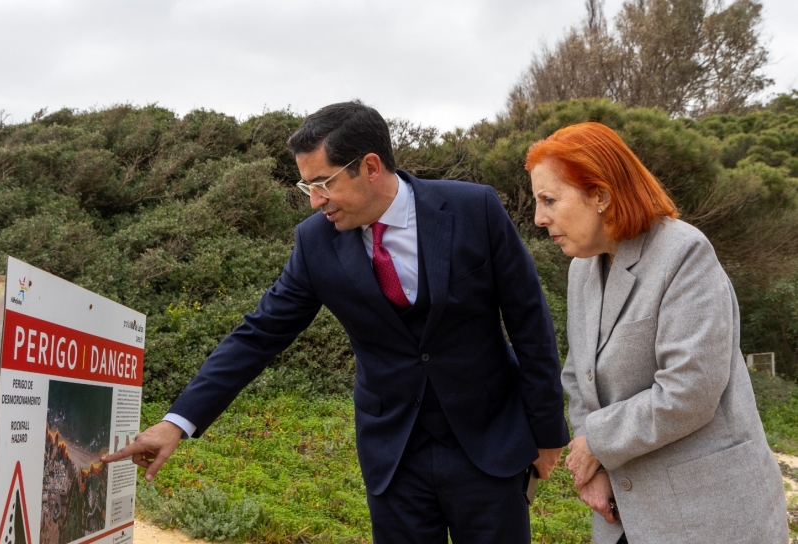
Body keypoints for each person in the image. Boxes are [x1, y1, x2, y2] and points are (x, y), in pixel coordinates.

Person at [103, 101, 570, 542]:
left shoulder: (474, 209)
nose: (314, 201)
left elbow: (530, 322)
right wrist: (176, 423)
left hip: (490, 445)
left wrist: (547, 433)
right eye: (306, 186)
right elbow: (258, 335)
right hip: (394, 459)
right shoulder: (315, 244)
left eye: (323, 183)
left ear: (370, 167)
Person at [526, 121, 789, 544]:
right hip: (620, 516)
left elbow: (689, 390)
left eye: (549, 200)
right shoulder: (582, 270)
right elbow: (578, 377)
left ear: (600, 196)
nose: (540, 218)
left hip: (705, 516)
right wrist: (594, 468)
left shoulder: (683, 253)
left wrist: (597, 442)